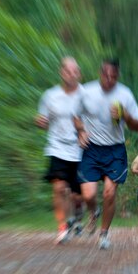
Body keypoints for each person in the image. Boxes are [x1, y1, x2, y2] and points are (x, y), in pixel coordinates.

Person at [73, 59, 138, 250]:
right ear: (100, 72)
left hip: (115, 149)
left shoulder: (125, 94)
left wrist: (125, 115)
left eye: (114, 76)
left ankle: (104, 234)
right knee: (88, 195)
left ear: (118, 76)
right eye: (106, 75)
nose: (109, 79)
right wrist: (81, 131)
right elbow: (75, 116)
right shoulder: (86, 91)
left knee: (110, 193)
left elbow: (137, 126)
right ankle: (94, 212)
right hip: (91, 148)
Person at [36, 57, 84, 244]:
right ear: (61, 72)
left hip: (80, 149)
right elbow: (42, 119)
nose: (71, 74)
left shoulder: (85, 95)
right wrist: (40, 122)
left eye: (74, 71)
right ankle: (62, 228)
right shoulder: (50, 95)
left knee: (77, 195)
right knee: (58, 187)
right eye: (67, 71)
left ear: (79, 74)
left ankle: (78, 212)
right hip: (56, 147)